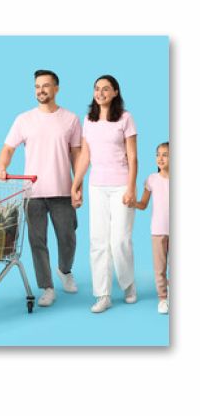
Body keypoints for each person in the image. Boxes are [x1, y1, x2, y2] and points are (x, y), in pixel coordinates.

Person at [0, 70, 81, 307]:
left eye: (45, 86)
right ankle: (47, 287)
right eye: (37, 86)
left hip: (62, 190)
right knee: (37, 241)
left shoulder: (71, 119)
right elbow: (8, 148)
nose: (40, 90)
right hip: (32, 193)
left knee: (68, 238)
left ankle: (65, 270)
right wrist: (2, 166)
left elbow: (77, 154)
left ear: (56, 88)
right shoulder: (23, 119)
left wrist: (77, 185)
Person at [71, 75, 138, 313]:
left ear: (115, 92)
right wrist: (75, 184)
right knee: (98, 241)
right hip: (97, 187)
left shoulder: (125, 119)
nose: (100, 93)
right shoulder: (88, 121)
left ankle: (128, 284)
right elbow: (85, 157)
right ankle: (103, 294)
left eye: (105, 89)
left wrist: (131, 188)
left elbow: (133, 157)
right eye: (97, 89)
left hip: (121, 186)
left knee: (120, 240)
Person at [133, 142, 169, 314]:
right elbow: (143, 204)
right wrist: (133, 203)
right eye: (158, 154)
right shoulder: (152, 179)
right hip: (158, 231)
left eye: (165, 154)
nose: (160, 158)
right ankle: (163, 298)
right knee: (160, 268)